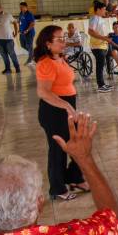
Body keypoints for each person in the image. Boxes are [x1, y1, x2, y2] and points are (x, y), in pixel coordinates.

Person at [34, 25, 87, 200]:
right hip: (53, 111)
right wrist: (66, 106)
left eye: (63, 37)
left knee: (80, 142)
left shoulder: (59, 58)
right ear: (48, 44)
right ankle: (57, 189)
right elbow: (43, 92)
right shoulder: (45, 63)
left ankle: (74, 178)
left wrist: (69, 106)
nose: (64, 41)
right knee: (58, 150)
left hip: (65, 106)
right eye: (59, 39)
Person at [88, 0, 114, 92]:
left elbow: (99, 31)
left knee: (102, 65)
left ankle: (102, 84)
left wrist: (107, 36)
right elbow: (91, 32)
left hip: (103, 45)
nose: (105, 11)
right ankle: (100, 86)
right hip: (97, 46)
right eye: (103, 9)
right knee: (100, 66)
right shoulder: (94, 18)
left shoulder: (99, 18)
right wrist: (104, 38)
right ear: (98, 9)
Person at [0, 2, 20, 74]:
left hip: (8, 39)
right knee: (4, 55)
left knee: (12, 54)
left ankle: (17, 67)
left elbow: (15, 22)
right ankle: (8, 69)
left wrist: (16, 32)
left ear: (1, 8)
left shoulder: (7, 15)